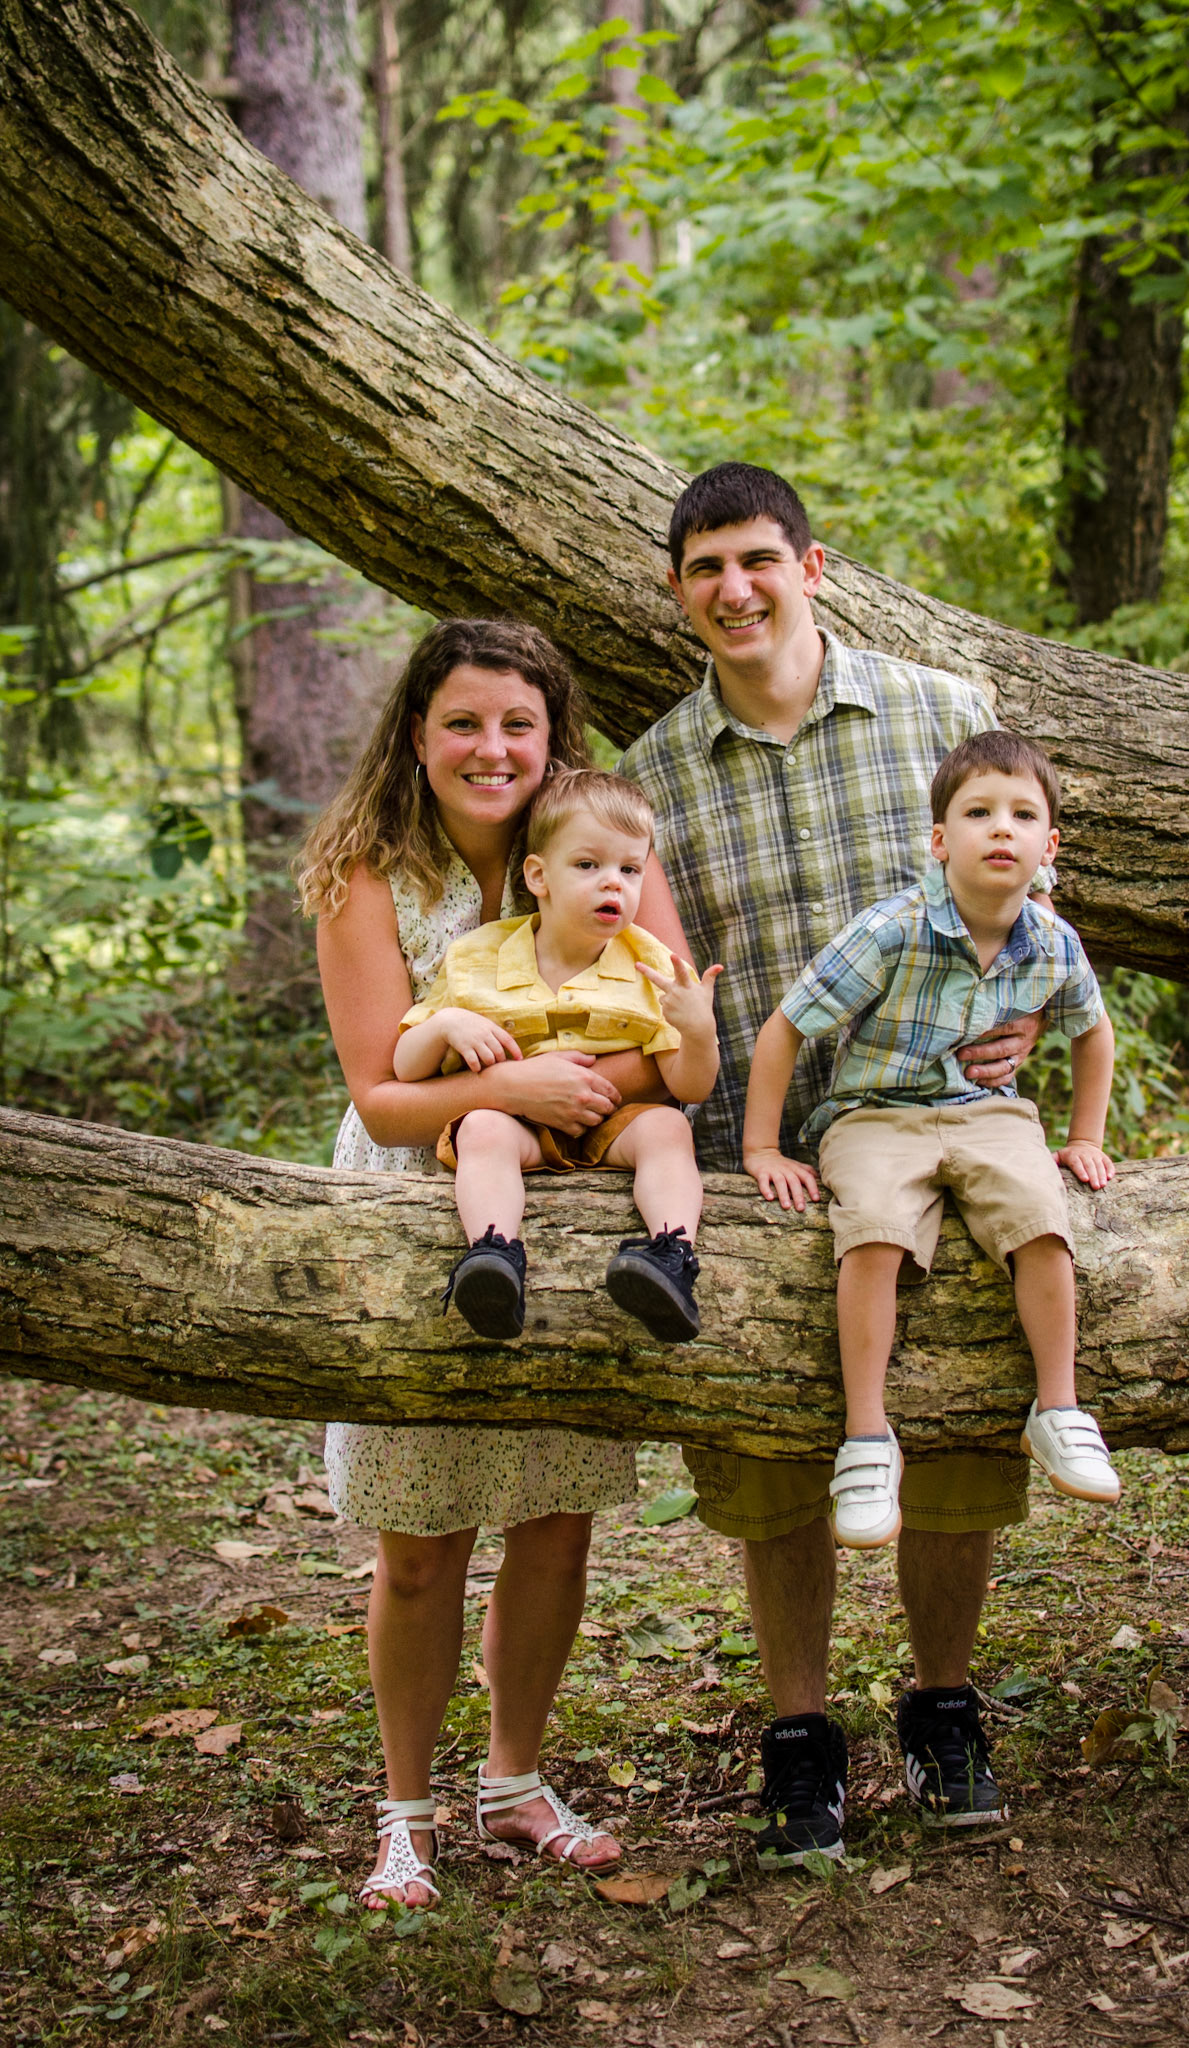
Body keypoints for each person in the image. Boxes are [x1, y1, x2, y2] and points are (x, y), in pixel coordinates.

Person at [619, 461, 1057, 1853]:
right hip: (748, 1165)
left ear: (810, 568)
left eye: (757, 558)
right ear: (680, 592)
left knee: (960, 1430)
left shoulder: (941, 711)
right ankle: (801, 1737)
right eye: (705, 568)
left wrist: (1030, 1020)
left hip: (934, 1133)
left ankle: (943, 1707)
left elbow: (1029, 892)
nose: (734, 588)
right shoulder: (649, 776)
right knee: (770, 1454)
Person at [300, 619, 665, 1905]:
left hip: (573, 1195)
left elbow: (667, 1036)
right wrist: (513, 1085)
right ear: (418, 734)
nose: (491, 747)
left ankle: (514, 1782)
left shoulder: (600, 842)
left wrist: (565, 1093)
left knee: (555, 1522)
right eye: (463, 721)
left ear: (554, 736)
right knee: (420, 1540)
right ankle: (405, 1812)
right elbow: (380, 1093)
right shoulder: (366, 873)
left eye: (519, 723)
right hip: (417, 1216)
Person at [742, 729, 1121, 1554]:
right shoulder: (893, 929)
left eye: (1023, 815)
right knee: (873, 1229)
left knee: (1041, 1219)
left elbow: (1094, 1032)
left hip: (989, 1113)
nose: (1002, 828)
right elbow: (787, 1026)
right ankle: (867, 1437)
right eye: (979, 813)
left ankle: (1059, 1407)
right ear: (941, 840)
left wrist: (1085, 1136)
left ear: (1049, 847)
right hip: (875, 1114)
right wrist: (762, 1149)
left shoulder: (1053, 942)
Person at [394, 768, 721, 1343]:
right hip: (518, 1127)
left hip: (612, 1125)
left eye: (630, 869)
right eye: (588, 865)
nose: (612, 883)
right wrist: (445, 1024)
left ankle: (672, 1255)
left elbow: (688, 1086)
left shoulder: (651, 965)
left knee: (669, 1127)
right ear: (538, 876)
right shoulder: (478, 959)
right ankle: (493, 1255)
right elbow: (405, 1066)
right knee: (481, 1129)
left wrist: (698, 1032)